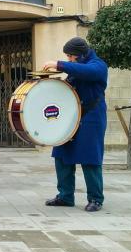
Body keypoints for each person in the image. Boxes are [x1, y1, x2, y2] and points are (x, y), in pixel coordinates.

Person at [42, 37, 108, 212]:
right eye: (67, 57)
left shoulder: (98, 65)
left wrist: (59, 64)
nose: (69, 59)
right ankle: (65, 196)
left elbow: (88, 72)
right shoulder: (77, 68)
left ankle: (95, 198)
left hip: (92, 116)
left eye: (71, 56)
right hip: (71, 117)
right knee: (62, 155)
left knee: (90, 158)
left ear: (81, 54)